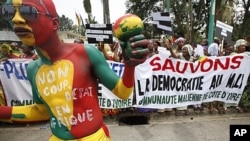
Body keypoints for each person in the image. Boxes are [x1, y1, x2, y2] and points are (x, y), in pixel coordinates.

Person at [0, 0, 151, 140]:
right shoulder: (33, 68)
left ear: (55, 23)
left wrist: (130, 66)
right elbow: (41, 110)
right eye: (9, 12)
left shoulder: (86, 53)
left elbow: (122, 93)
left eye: (28, 12)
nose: (16, 19)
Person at [166, 44, 194, 116]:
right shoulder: (180, 55)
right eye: (183, 49)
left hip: (188, 78)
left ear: (189, 50)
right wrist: (170, 49)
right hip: (179, 77)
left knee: (187, 93)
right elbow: (174, 56)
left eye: (185, 49)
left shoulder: (192, 58)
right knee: (178, 92)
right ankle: (177, 108)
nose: (183, 50)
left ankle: (185, 108)